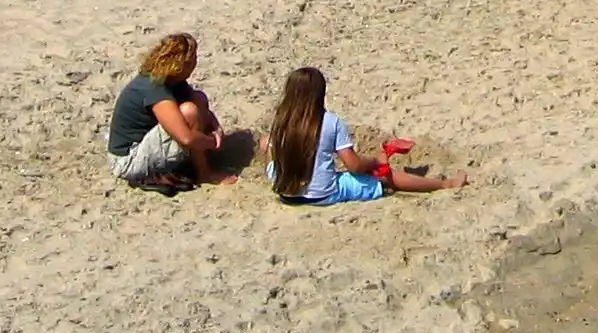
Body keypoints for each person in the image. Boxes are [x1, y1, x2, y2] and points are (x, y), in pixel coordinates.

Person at [268, 66, 464, 205]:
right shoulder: (330, 122)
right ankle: (445, 184)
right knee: (384, 176)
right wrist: (375, 161)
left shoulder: (281, 119)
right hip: (321, 194)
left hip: (285, 191)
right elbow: (354, 165)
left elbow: (273, 149)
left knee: (267, 146)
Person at [105, 32, 238, 190]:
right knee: (189, 112)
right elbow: (186, 138)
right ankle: (204, 173)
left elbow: (200, 104)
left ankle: (199, 159)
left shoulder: (172, 79)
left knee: (198, 98)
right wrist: (211, 142)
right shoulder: (154, 88)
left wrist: (216, 128)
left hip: (141, 144)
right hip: (128, 160)